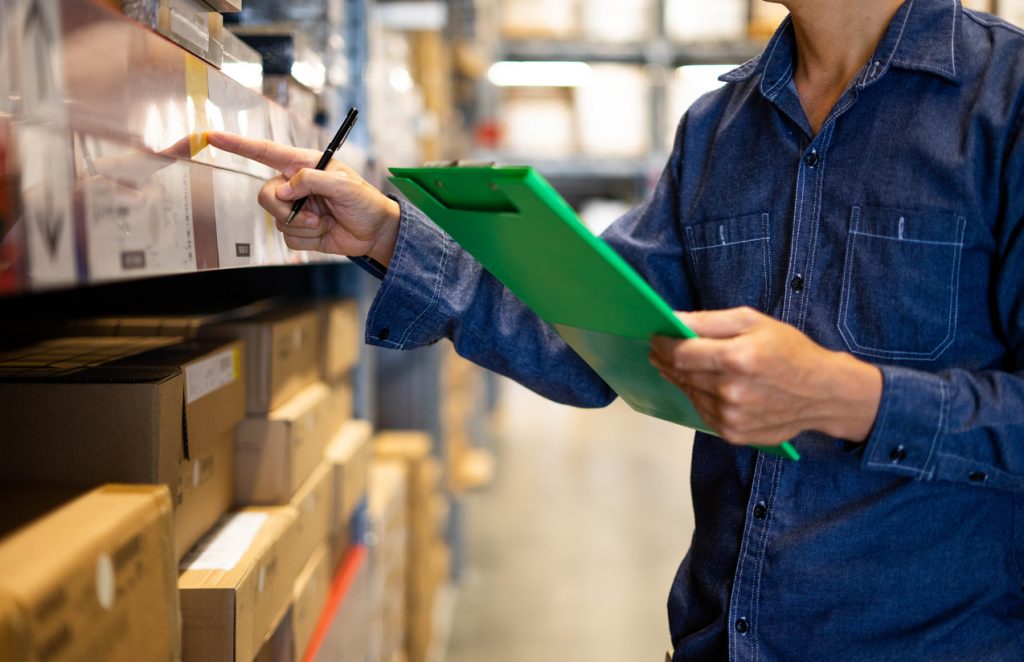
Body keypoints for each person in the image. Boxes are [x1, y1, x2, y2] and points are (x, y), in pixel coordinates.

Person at [209, 0, 1024, 658]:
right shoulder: (719, 129)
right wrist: (387, 232)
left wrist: (847, 396)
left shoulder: (1006, 101)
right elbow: (591, 340)